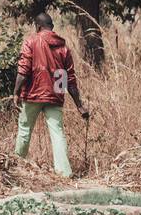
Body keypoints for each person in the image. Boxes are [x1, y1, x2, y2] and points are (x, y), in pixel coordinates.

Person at [12, 12, 90, 177]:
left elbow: (24, 70)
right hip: (56, 94)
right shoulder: (63, 47)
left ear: (38, 27)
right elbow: (69, 80)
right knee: (57, 133)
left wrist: (16, 92)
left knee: (25, 129)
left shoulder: (31, 41)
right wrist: (80, 105)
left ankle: (17, 167)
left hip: (33, 95)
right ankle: (64, 172)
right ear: (52, 27)